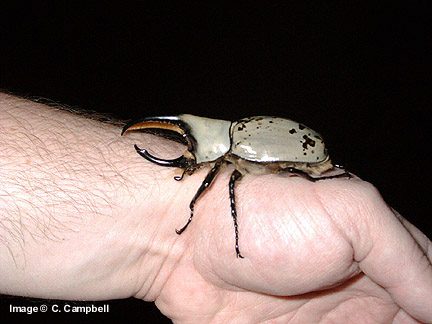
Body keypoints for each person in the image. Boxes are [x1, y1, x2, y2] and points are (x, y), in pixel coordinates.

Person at [0, 93, 430, 323]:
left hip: (303, 153)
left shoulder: (238, 148)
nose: (189, 162)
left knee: (228, 190)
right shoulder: (229, 145)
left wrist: (191, 219)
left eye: (191, 156)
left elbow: (243, 182)